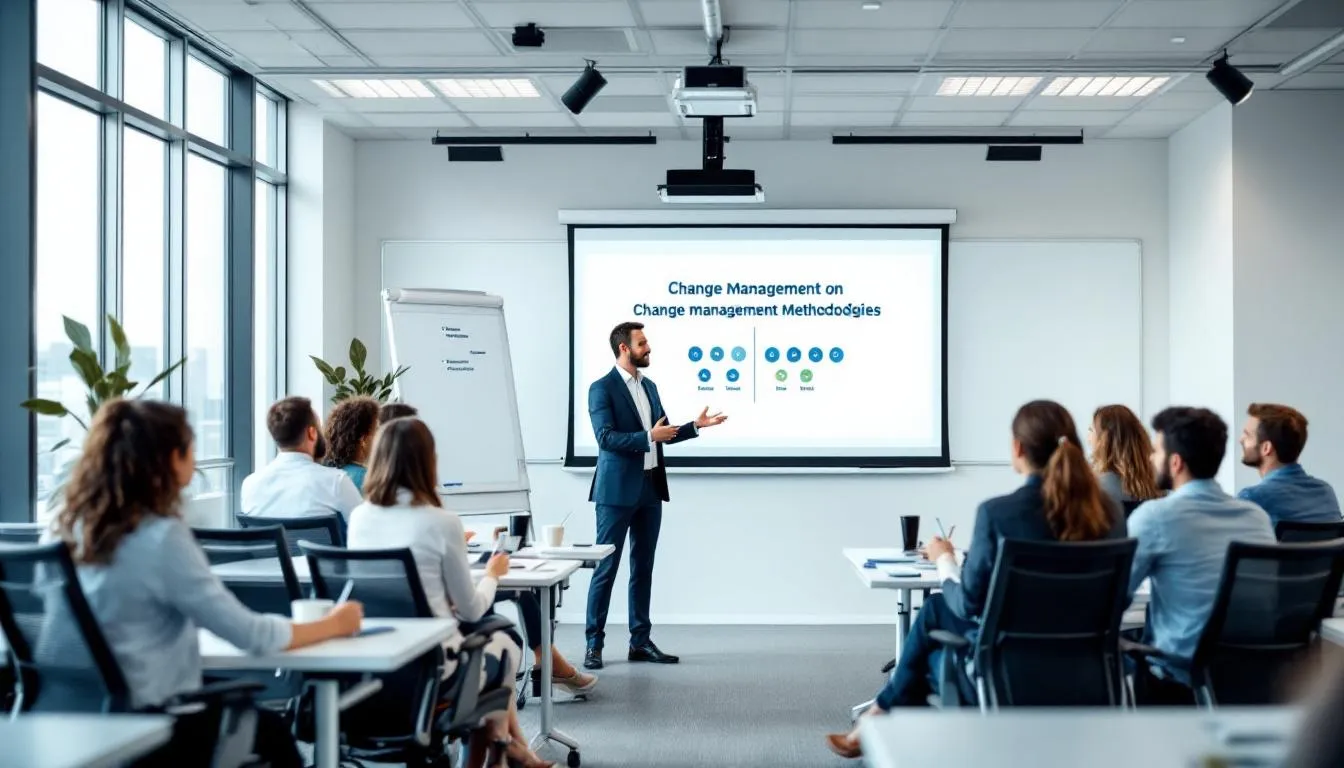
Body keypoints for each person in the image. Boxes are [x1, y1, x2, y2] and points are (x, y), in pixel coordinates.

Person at [38, 399, 363, 767]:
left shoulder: (62, 530)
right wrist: (335, 624)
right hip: (147, 721)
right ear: (169, 459)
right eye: (190, 446)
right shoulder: (161, 537)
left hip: (62, 716)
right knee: (271, 733)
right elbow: (254, 636)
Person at [826, 400, 1126, 758]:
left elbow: (968, 602)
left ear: (1017, 448)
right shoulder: (1109, 513)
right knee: (935, 629)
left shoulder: (999, 513)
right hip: (1089, 669)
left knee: (936, 610)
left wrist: (945, 561)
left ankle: (884, 717)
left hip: (1007, 668)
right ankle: (887, 720)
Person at [346, 417, 556, 768]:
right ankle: (494, 754)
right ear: (428, 461)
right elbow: (472, 611)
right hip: (432, 667)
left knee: (491, 642)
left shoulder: (360, 517)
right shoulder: (441, 521)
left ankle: (508, 749)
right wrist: (491, 574)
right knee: (506, 643)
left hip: (374, 661)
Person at [583, 321, 727, 670]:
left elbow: (662, 433)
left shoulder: (651, 387)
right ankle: (593, 645)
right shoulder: (601, 389)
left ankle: (640, 642)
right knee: (607, 568)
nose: (648, 348)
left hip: (650, 487)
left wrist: (694, 427)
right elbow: (606, 438)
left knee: (642, 568)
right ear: (624, 348)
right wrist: (649, 436)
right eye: (642, 343)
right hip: (616, 493)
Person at [1126, 406, 1275, 704]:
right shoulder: (1255, 516)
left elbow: (1115, 595)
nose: (1150, 458)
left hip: (1180, 681)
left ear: (1176, 462)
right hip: (1253, 676)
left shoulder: (1155, 516)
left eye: (1155, 451)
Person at [240, 397, 363, 537]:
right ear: (312, 433)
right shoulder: (336, 481)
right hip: (320, 560)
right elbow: (366, 531)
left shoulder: (250, 484)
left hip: (271, 560)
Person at [1237, 403, 1341, 526]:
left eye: (1247, 435)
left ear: (1266, 448)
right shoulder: (1325, 492)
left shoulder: (1252, 498)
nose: (1241, 439)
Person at [1089, 404, 1162, 506]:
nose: (1088, 438)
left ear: (1104, 440)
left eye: (1091, 430)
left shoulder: (1095, 487)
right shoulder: (1159, 483)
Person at [322, 395, 381, 493]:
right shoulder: (366, 479)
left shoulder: (326, 472)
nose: (379, 437)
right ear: (363, 440)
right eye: (376, 430)